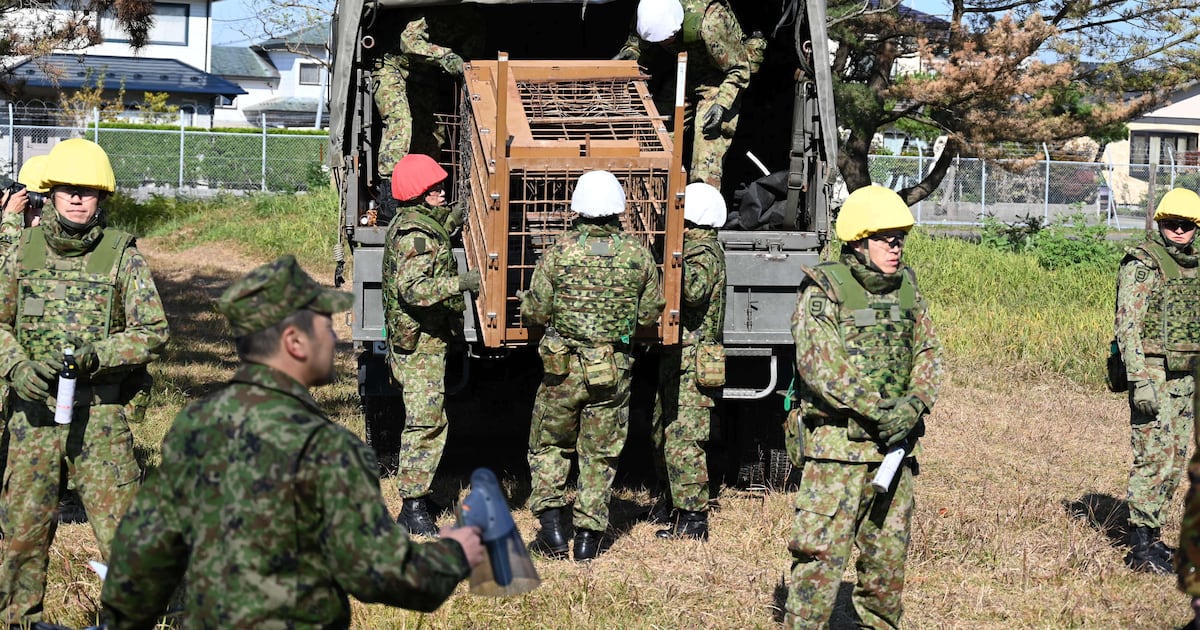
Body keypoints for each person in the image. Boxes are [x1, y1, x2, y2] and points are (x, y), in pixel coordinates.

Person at [99, 255, 484, 628]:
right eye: (325, 327)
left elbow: (148, 550)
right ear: (295, 342)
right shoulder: (329, 449)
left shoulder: (195, 426)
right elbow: (385, 575)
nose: (335, 338)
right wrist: (456, 553)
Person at [0, 138, 170, 623]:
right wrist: (17, 368)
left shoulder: (122, 257)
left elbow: (153, 333)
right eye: (68, 189)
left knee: (123, 534)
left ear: (102, 199)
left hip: (99, 420)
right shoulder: (21, 251)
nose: (77, 199)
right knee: (22, 534)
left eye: (88, 191)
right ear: (51, 194)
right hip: (31, 420)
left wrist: (99, 355)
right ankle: (20, 620)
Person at [785, 185, 940, 628]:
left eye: (900, 238)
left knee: (887, 566)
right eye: (885, 238)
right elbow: (823, 369)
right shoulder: (823, 289)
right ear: (858, 241)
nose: (896, 247)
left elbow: (929, 352)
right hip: (838, 455)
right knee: (818, 561)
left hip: (893, 453)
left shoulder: (906, 288)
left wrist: (914, 405)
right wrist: (883, 412)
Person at [522, 170, 665, 561]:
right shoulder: (637, 255)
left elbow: (535, 312)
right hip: (612, 370)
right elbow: (650, 315)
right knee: (599, 455)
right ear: (618, 207)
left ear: (578, 208)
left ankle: (552, 533)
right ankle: (587, 541)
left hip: (562, 371)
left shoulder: (559, 252)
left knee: (549, 445)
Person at [383, 153, 479, 537]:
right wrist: (460, 283)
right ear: (419, 194)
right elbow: (414, 289)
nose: (441, 191)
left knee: (432, 419)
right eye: (435, 188)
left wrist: (461, 211)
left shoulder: (418, 223)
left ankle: (419, 496)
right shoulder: (415, 236)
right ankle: (411, 507)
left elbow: (442, 226)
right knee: (424, 423)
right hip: (418, 345)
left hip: (423, 341)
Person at [1116, 187, 1200, 574]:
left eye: (1186, 225)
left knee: (1176, 458)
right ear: (1160, 224)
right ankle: (1140, 547)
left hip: (1185, 376)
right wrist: (1139, 381)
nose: (1179, 232)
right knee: (1154, 458)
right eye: (1172, 225)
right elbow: (1128, 327)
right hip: (1152, 372)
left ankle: (1153, 536)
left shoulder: (1195, 266)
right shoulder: (1143, 263)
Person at [615, 0, 765, 189]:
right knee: (656, 134)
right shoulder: (650, 10)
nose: (660, 44)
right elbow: (637, 42)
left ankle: (700, 208)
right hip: (684, 72)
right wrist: (632, 53)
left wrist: (722, 103)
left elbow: (739, 68)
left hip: (720, 78)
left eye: (664, 40)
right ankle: (654, 197)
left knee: (707, 150)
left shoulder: (711, 22)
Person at [650, 182, 726, 541]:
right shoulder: (695, 248)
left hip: (693, 361)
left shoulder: (704, 253)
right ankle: (672, 503)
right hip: (679, 358)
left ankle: (693, 519)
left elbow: (692, 293)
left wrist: (671, 263)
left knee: (684, 439)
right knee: (662, 433)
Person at [372, 8, 484, 184]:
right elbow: (408, 42)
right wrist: (448, 57)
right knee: (400, 123)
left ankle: (425, 188)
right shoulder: (430, 10)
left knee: (432, 133)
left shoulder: (473, 16)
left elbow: (471, 51)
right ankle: (390, 188)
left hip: (424, 75)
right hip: (392, 67)